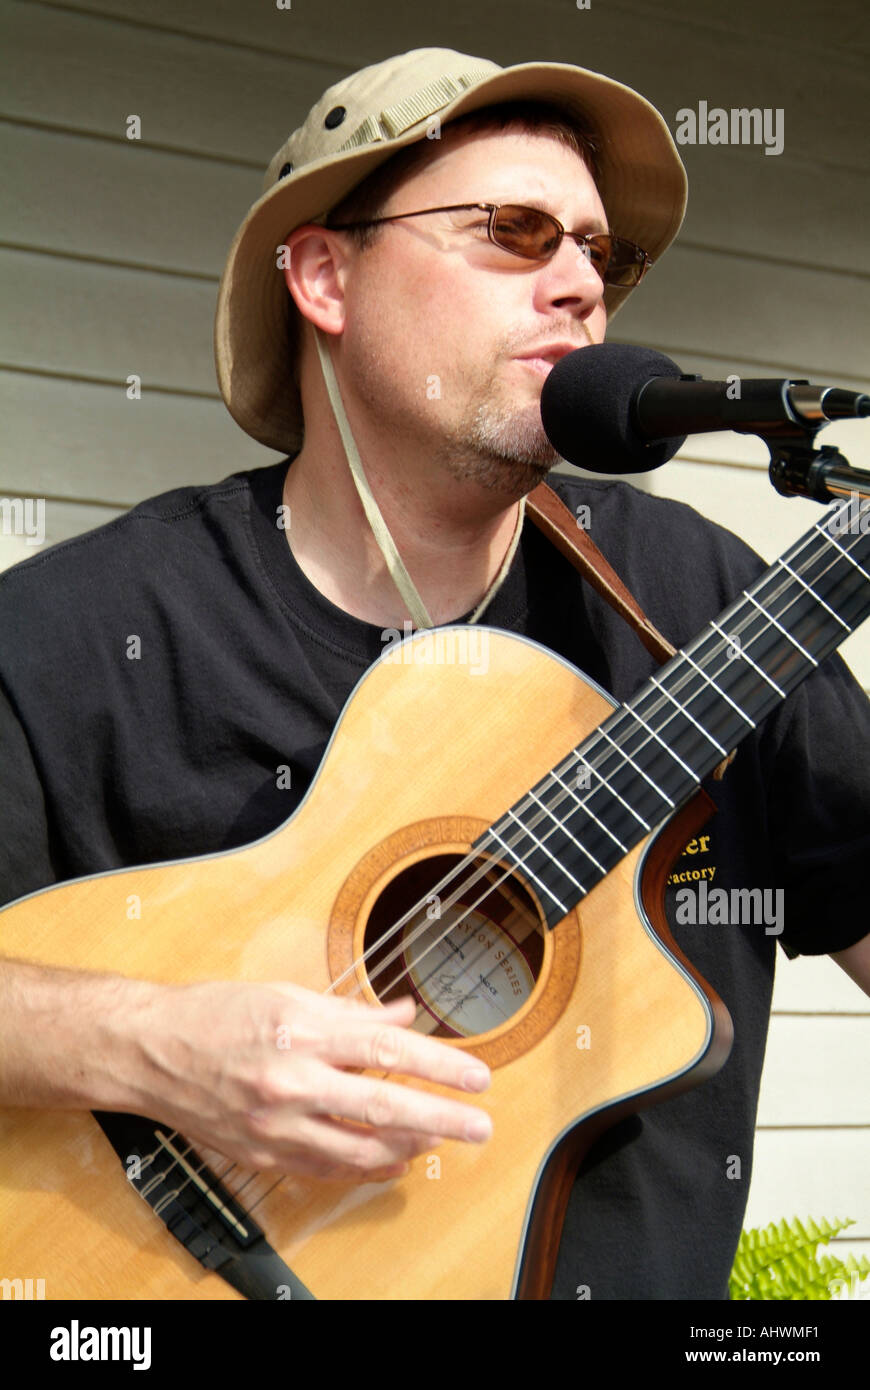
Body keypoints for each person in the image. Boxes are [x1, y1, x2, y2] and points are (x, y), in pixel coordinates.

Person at [1, 47, 868, 1301]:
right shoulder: (85, 632)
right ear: (324, 277)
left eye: (600, 252)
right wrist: (147, 1046)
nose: (581, 285)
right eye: (515, 230)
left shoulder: (705, 603)